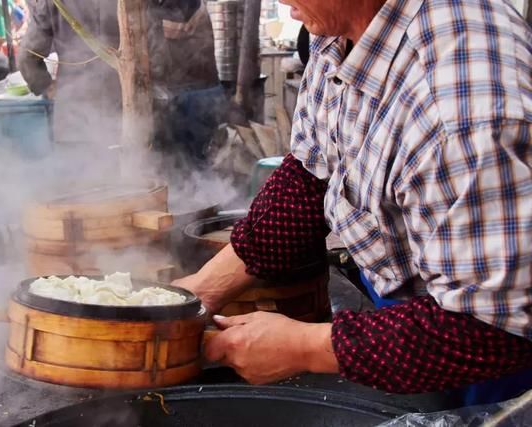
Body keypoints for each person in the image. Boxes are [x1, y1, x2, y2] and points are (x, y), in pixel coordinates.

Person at [174, 0, 532, 404]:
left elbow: (492, 328)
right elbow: (312, 174)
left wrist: (304, 347)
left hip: (488, 357)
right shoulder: (335, 35)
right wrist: (200, 291)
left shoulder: (462, 101)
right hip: (405, 316)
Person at [17, 0, 121, 148]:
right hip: (124, 118)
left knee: (80, 170)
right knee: (132, 169)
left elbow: (27, 58)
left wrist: (45, 85)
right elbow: (155, 50)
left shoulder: (51, 3)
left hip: (73, 119)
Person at [148, 0, 226, 170]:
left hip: (196, 95)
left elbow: (176, 28)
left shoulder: (186, 5)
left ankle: (200, 195)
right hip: (188, 92)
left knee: (191, 163)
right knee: (179, 162)